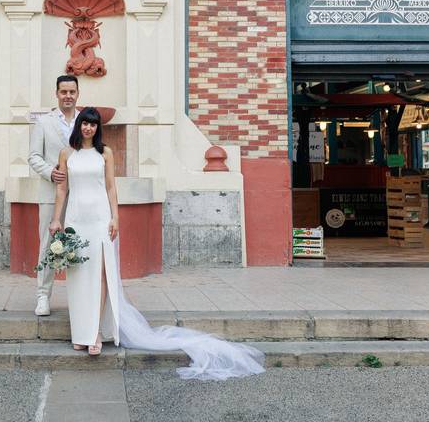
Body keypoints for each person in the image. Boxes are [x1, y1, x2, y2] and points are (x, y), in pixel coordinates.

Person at [48, 107, 267, 380]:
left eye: (93, 124)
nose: (88, 128)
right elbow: (61, 188)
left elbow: (111, 187)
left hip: (100, 218)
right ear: (78, 125)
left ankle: (95, 333)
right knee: (79, 275)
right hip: (76, 218)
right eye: (85, 124)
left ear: (97, 128)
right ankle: (79, 333)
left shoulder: (106, 153)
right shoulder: (67, 154)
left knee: (102, 274)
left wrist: (115, 217)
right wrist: (56, 219)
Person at [28, 74, 79, 316]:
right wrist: (50, 172)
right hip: (51, 193)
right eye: (63, 92)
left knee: (79, 243)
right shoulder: (44, 123)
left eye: (72, 92)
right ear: (56, 93)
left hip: (80, 194)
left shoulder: (85, 121)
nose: (68, 96)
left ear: (77, 94)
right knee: (48, 245)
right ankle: (42, 296)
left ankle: (79, 297)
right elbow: (33, 156)